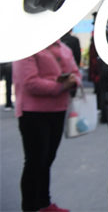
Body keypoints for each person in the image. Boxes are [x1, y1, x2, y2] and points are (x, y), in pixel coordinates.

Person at [13, 39, 81, 212]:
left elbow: (75, 72)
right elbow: (29, 82)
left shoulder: (63, 47)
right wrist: (60, 85)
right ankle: (30, 207)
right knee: (35, 162)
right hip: (33, 112)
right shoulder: (25, 47)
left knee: (47, 160)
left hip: (58, 110)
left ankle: (44, 203)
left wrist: (74, 81)